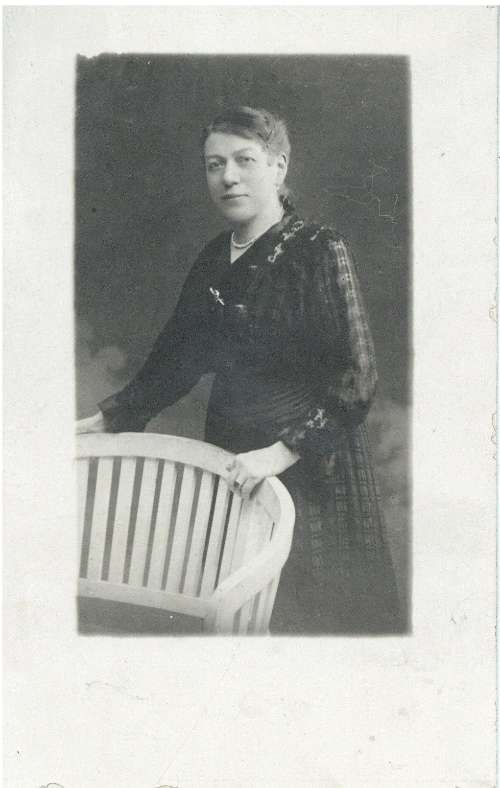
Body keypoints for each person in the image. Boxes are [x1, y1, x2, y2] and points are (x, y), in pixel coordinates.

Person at [77, 105, 403, 634]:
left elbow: (357, 378)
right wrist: (110, 417)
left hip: (312, 471)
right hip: (233, 464)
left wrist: (280, 453)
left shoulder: (319, 249)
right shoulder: (213, 258)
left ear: (279, 166)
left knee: (311, 625)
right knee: (236, 618)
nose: (228, 176)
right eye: (215, 164)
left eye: (244, 160)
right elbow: (176, 360)